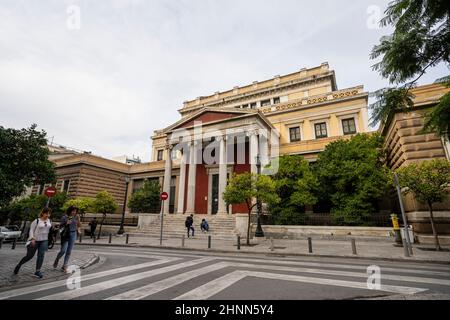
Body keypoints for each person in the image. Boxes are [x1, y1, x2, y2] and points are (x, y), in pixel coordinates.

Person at [13, 207, 52, 278]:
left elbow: (48, 230)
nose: (48, 215)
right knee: (29, 256)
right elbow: (31, 230)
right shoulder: (36, 221)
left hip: (44, 240)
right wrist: (32, 238)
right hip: (35, 240)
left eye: (49, 213)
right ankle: (19, 265)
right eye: (46, 213)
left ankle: (37, 271)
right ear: (42, 213)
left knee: (41, 255)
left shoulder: (49, 220)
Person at [53, 206, 81, 273]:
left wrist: (79, 230)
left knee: (69, 251)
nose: (74, 212)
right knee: (63, 250)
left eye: (75, 211)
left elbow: (78, 225)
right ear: (70, 211)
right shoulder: (64, 217)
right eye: (73, 211)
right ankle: (57, 259)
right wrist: (66, 223)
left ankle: (64, 265)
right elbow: (60, 226)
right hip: (66, 235)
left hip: (73, 234)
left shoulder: (76, 217)